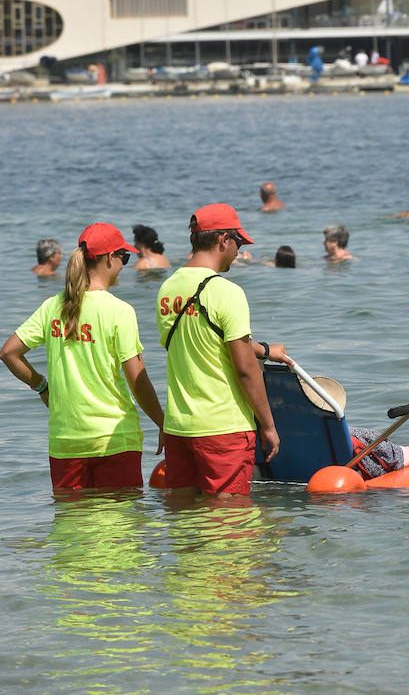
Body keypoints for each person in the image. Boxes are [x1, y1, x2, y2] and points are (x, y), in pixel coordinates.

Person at [1, 223, 164, 491]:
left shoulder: (52, 306)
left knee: (71, 527)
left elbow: (9, 353)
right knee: (120, 527)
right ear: (110, 258)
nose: (124, 264)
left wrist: (41, 386)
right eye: (124, 257)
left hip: (65, 441)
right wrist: (162, 421)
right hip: (114, 439)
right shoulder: (119, 311)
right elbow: (137, 380)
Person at [156, 203, 291, 497]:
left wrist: (264, 350)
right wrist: (268, 425)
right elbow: (244, 370)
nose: (239, 251)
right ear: (223, 240)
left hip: (179, 427)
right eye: (238, 242)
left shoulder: (167, 289)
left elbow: (202, 341)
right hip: (223, 429)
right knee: (231, 527)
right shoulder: (227, 292)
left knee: (186, 526)